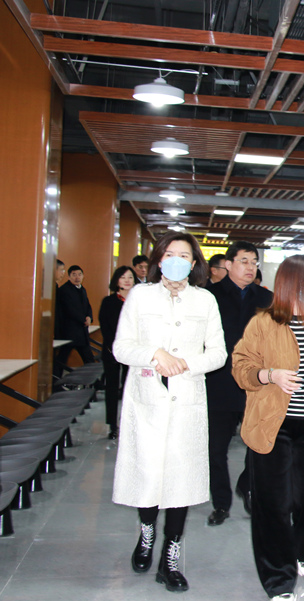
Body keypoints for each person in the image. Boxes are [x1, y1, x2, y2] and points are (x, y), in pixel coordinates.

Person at [232, 255, 304, 601]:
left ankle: (303, 546)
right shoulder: (263, 323)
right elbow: (241, 367)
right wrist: (269, 375)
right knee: (272, 504)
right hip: (273, 425)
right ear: (288, 282)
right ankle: (279, 581)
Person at [112, 232, 227, 593]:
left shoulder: (205, 300)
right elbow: (121, 348)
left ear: (194, 264)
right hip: (146, 397)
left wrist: (184, 363)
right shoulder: (140, 296)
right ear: (159, 260)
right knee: (147, 472)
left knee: (181, 478)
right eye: (170, 254)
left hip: (186, 398)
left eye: (185, 255)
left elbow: (218, 354)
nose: (177, 261)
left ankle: (170, 556)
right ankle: (146, 533)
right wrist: (154, 354)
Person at [205, 242, 273, 526]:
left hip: (256, 384)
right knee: (215, 450)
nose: (250, 267)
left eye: (254, 262)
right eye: (244, 261)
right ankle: (221, 503)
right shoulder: (209, 296)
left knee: (258, 444)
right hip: (218, 383)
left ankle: (247, 486)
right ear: (228, 264)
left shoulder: (267, 298)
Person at [98, 265, 137, 440]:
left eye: (130, 277)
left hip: (134, 351)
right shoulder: (108, 301)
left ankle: (130, 423)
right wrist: (113, 347)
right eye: (123, 277)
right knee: (112, 388)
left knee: (131, 387)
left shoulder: (138, 301)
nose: (127, 281)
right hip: (111, 350)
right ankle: (112, 425)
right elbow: (105, 327)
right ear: (117, 281)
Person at [56, 264, 95, 367]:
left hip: (81, 332)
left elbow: (88, 306)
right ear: (69, 277)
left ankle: (94, 380)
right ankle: (56, 376)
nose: (77, 277)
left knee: (89, 359)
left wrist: (89, 317)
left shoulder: (83, 289)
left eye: (79, 274)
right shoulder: (64, 290)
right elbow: (69, 309)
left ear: (83, 276)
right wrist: (84, 319)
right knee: (62, 359)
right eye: (74, 275)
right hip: (69, 332)